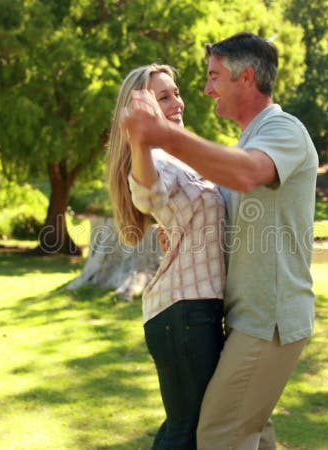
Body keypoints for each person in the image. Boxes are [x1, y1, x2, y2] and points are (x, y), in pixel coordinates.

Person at [121, 32, 318, 449]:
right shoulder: (248, 141)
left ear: (246, 78)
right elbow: (220, 210)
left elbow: (247, 174)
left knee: (219, 434)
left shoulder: (284, 130)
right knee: (252, 434)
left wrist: (161, 134)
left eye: (214, 77)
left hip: (271, 319)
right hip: (246, 318)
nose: (206, 89)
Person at [107, 64, 227, 449]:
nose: (177, 102)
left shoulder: (179, 156)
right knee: (188, 432)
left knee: (187, 428)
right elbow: (149, 194)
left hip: (192, 312)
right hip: (184, 313)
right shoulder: (156, 156)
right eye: (163, 97)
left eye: (175, 92)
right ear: (142, 110)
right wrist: (141, 142)